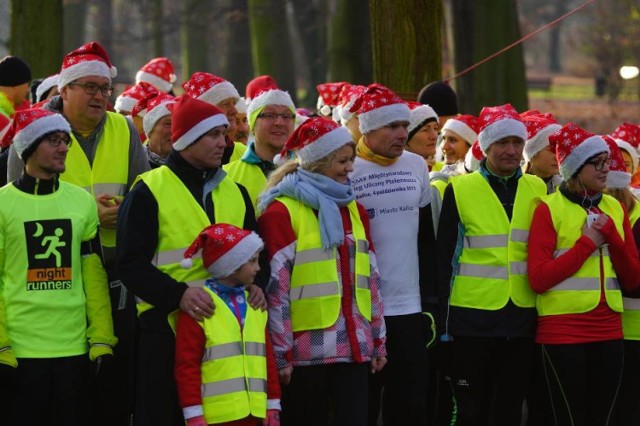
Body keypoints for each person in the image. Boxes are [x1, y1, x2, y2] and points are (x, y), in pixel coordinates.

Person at [5, 41, 150, 426]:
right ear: (64, 89)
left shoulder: (123, 129)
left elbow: (143, 191)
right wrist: (89, 214)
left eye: (106, 89)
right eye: (89, 87)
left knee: (110, 379)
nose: (100, 96)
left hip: (113, 269)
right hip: (49, 279)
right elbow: (19, 205)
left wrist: (125, 214)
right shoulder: (33, 129)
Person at [116, 95, 265, 426]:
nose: (223, 142)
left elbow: (258, 254)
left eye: (224, 133)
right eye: (212, 134)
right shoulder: (148, 190)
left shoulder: (236, 192)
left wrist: (258, 286)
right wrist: (178, 294)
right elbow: (129, 263)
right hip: (164, 331)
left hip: (228, 334)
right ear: (185, 140)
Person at [258, 117, 386, 426]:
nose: (349, 168)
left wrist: (378, 340)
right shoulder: (281, 211)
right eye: (342, 161)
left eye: (351, 160)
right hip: (304, 357)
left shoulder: (352, 207)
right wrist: (280, 354)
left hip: (354, 350)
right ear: (318, 162)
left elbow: (370, 281)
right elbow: (276, 293)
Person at [0, 108, 116, 425]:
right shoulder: (2, 204)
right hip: (19, 354)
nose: (64, 147)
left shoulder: (81, 202)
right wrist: (1, 348)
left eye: (65, 140)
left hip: (74, 352)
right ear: (28, 147)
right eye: (53, 140)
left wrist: (102, 339)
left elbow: (94, 279)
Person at [437, 104, 546, 425]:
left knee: (509, 410)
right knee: (471, 409)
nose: (511, 151)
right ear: (485, 146)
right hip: (472, 320)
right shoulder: (460, 189)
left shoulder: (537, 188)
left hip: (522, 318)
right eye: (502, 143)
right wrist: (444, 327)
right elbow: (446, 260)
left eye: (517, 142)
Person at [528, 123, 640, 425]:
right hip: (562, 332)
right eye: (597, 162)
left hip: (609, 329)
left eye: (607, 161)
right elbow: (538, 279)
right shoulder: (548, 209)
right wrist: (587, 243)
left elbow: (633, 279)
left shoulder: (616, 208)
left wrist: (611, 237)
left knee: (602, 419)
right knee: (569, 419)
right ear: (576, 167)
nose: (607, 168)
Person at [347, 84, 436, 426]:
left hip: (410, 308)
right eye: (392, 126)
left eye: (404, 126)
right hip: (363, 308)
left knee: (410, 403)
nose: (402, 134)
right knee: (364, 405)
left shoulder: (416, 165)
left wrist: (431, 301)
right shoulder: (346, 166)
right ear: (368, 127)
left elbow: (426, 239)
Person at [175, 224, 281, 426]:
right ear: (231, 265)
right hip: (216, 417)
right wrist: (194, 414)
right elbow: (187, 366)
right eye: (251, 261)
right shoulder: (198, 307)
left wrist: (272, 404)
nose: (258, 268)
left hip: (255, 414)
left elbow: (267, 357)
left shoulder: (255, 303)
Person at [224, 87, 296, 209]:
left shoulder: (309, 170)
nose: (279, 122)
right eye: (269, 115)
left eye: (287, 116)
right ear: (252, 123)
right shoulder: (227, 175)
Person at [182, 72, 247, 164]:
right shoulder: (187, 157)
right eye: (225, 104)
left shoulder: (244, 153)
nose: (234, 111)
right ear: (203, 111)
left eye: (234, 103)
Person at [521, 111, 563, 194]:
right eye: (550, 149)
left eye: (560, 149)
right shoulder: (514, 186)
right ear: (532, 154)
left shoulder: (567, 188)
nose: (557, 156)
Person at [134, 92, 175, 168]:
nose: (175, 129)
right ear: (150, 130)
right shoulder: (133, 163)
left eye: (179, 123)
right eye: (168, 124)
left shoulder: (192, 165)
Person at [405, 101, 441, 171]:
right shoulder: (393, 173)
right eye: (425, 130)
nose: (434, 136)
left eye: (435, 128)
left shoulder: (445, 171)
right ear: (405, 139)